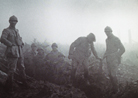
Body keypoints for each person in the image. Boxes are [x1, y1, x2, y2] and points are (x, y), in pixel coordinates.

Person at [0, 15, 28, 91]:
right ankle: (9, 87)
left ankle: (25, 84)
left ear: (16, 22)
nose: (13, 22)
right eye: (12, 21)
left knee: (22, 68)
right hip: (12, 52)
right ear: (9, 21)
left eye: (15, 21)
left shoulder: (17, 30)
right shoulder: (6, 30)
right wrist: (10, 44)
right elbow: (2, 39)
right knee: (12, 70)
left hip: (19, 51)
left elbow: (19, 38)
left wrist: (21, 43)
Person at [103, 26, 125, 93]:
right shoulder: (107, 40)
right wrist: (104, 56)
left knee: (113, 74)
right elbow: (107, 49)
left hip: (114, 60)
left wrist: (116, 55)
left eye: (108, 32)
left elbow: (123, 49)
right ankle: (113, 88)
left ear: (111, 31)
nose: (107, 33)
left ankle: (116, 90)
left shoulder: (116, 39)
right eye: (106, 32)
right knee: (110, 75)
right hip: (108, 60)